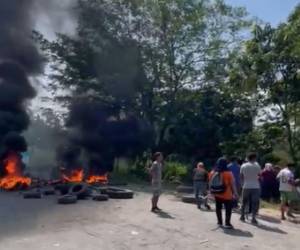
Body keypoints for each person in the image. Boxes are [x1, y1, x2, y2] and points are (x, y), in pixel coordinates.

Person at [209, 158, 238, 229]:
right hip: (227, 194)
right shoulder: (228, 173)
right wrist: (235, 193)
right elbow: (232, 184)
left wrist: (211, 192)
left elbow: (210, 183)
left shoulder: (212, 172)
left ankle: (219, 222)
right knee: (228, 209)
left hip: (217, 193)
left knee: (218, 208)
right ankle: (227, 223)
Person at [240, 153, 261, 224]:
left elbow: (241, 176)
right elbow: (259, 175)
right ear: (254, 158)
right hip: (255, 186)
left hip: (246, 185)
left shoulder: (243, 165)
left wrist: (242, 184)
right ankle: (253, 218)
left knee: (244, 202)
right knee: (254, 203)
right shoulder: (257, 165)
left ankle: (242, 216)